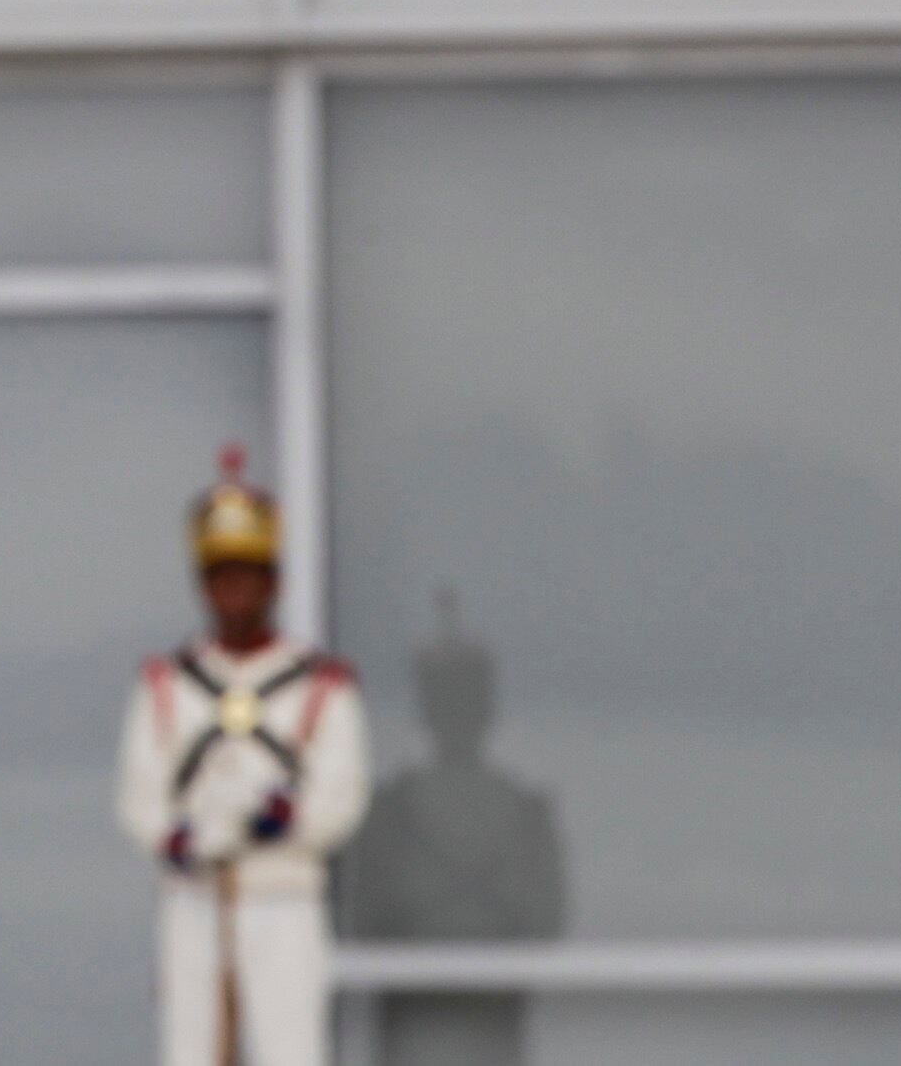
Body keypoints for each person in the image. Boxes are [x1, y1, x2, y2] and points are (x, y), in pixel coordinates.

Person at [114, 446, 368, 1066]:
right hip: (194, 895)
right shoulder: (166, 685)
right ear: (203, 585)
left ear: (274, 583)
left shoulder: (320, 686)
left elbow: (342, 793)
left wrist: (290, 821)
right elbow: (140, 792)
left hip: (283, 892)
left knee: (291, 1049)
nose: (235, 591)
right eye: (222, 577)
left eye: (249, 575)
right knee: (190, 1050)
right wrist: (171, 837)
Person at [344, 589, 567, 1066]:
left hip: (492, 1038)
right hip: (413, 1039)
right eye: (446, 694)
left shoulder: (527, 814)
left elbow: (547, 926)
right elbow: (363, 923)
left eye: (467, 693)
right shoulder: (390, 813)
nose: (457, 709)